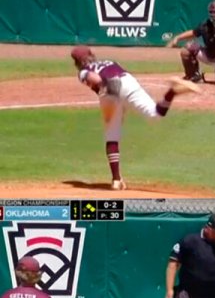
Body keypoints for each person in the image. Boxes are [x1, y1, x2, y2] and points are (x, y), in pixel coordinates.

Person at [71, 46, 201, 191]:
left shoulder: (82, 72)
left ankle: (116, 180)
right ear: (91, 55)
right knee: (155, 114)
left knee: (112, 136)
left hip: (109, 94)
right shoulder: (108, 61)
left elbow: (93, 78)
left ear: (76, 62)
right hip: (127, 82)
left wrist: (106, 84)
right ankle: (171, 92)